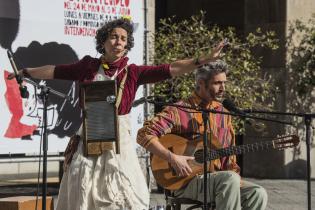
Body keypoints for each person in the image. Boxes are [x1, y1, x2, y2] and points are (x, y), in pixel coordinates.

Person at [7, 18, 225, 210]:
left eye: (123, 38)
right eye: (114, 37)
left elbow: (172, 69)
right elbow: (55, 70)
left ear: (127, 45)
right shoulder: (87, 67)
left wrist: (204, 59)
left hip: (119, 141)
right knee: (82, 188)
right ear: (104, 41)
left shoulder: (133, 73)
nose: (118, 42)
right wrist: (26, 72)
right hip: (89, 137)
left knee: (121, 192)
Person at [137, 60, 268, 210]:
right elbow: (144, 134)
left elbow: (229, 158)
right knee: (229, 180)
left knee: (257, 193)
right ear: (201, 83)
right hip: (184, 181)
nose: (223, 88)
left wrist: (234, 174)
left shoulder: (223, 114)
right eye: (217, 83)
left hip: (219, 179)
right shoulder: (179, 110)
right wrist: (172, 158)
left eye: (224, 83)